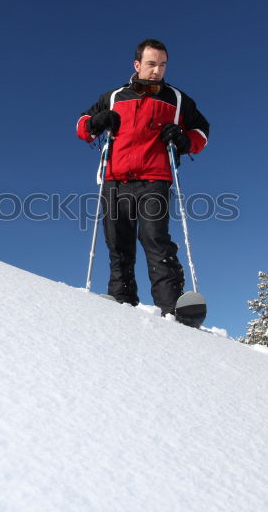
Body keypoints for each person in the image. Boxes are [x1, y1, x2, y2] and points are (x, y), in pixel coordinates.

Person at [76, 39, 210, 316]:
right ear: (137, 65)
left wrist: (184, 139)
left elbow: (202, 130)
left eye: (162, 65)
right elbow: (83, 125)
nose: (156, 70)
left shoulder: (176, 99)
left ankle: (171, 307)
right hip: (114, 178)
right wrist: (95, 123)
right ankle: (122, 301)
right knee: (117, 243)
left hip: (154, 178)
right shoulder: (113, 97)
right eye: (151, 64)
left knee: (155, 239)